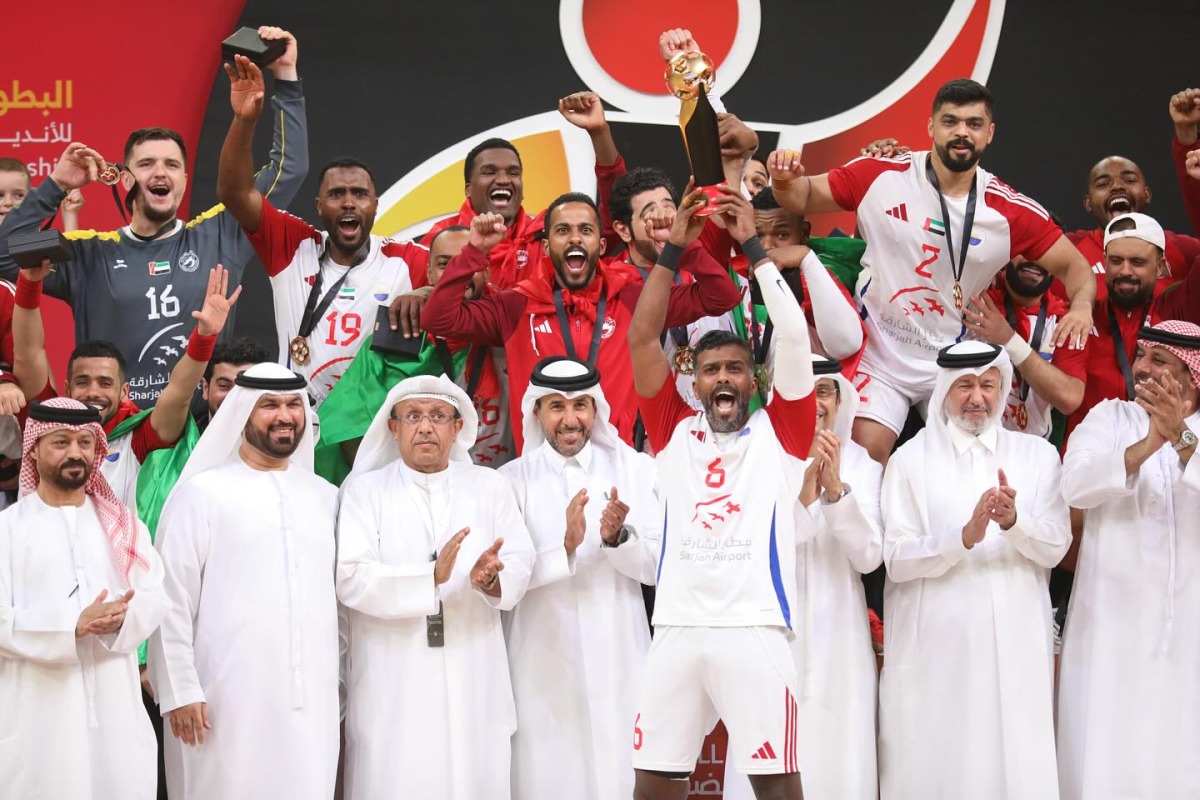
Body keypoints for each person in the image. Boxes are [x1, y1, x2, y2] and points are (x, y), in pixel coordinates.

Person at [769, 78, 1095, 465]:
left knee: (969, 465)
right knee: (863, 456)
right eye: (950, 121)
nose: (961, 132)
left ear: (989, 134)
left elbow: (1076, 267)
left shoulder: (1009, 210)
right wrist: (783, 179)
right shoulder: (881, 173)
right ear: (930, 127)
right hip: (880, 350)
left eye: (973, 124)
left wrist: (1082, 306)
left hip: (952, 356)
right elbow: (802, 195)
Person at [626, 185, 816, 800]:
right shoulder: (671, 432)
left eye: (736, 368)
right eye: (712, 370)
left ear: (755, 379)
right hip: (676, 628)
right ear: (695, 380)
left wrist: (753, 247)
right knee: (654, 785)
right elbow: (641, 337)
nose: (724, 378)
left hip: (753, 630)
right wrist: (675, 245)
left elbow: (792, 334)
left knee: (777, 788)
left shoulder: (782, 432)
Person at [0, 27, 307, 406]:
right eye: (146, 164)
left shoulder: (219, 233)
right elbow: (6, 256)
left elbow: (288, 169)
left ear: (183, 180)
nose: (160, 172)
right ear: (126, 179)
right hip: (115, 437)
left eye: (171, 165)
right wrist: (55, 185)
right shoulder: (89, 253)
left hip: (200, 436)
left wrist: (287, 77)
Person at [878, 341, 1070, 799]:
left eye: (987, 384)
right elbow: (896, 560)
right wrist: (961, 538)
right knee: (939, 760)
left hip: (1016, 646)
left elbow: (1056, 548)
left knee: (1016, 760)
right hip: (938, 651)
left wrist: (1015, 523)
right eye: (964, 385)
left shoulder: (1037, 457)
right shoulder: (910, 459)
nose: (977, 397)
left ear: (1003, 389)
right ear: (944, 390)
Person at [335, 374, 534, 799]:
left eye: (438, 416)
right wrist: (430, 579)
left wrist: (492, 581)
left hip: (472, 669)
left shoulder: (489, 486)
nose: (426, 427)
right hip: (393, 675)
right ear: (393, 428)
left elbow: (520, 560)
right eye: (413, 416)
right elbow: (350, 577)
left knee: (474, 773)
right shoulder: (364, 491)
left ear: (457, 427)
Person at [421, 192, 742, 452]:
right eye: (563, 230)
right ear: (546, 247)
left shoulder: (633, 298)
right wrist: (475, 250)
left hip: (619, 474)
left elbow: (721, 297)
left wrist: (685, 247)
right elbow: (439, 317)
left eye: (585, 230)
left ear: (600, 246)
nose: (575, 238)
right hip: (540, 476)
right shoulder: (516, 305)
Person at [149, 364, 339, 800]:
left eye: (293, 404)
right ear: (240, 413)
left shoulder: (324, 496)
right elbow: (171, 600)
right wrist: (179, 690)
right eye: (268, 405)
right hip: (221, 701)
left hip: (310, 702)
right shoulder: (202, 494)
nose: (284, 415)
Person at [215, 54, 426, 405]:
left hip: (370, 428)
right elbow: (233, 192)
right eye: (336, 194)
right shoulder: (294, 246)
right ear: (318, 206)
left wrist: (429, 291)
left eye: (359, 194)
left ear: (375, 205)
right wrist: (244, 120)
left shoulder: (404, 258)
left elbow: (468, 283)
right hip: (301, 424)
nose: (348, 203)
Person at [499, 357, 661, 800]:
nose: (570, 420)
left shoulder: (634, 469)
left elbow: (657, 568)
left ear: (597, 409)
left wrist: (617, 539)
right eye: (557, 407)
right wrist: (564, 549)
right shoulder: (508, 482)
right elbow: (504, 585)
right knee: (548, 774)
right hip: (540, 658)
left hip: (619, 652)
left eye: (581, 406)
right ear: (536, 412)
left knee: (621, 771)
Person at [723, 355, 883, 800]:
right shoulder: (752, 459)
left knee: (840, 756)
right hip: (771, 635)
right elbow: (747, 550)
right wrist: (802, 500)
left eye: (826, 391)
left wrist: (836, 495)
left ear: (839, 400)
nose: (815, 402)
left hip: (840, 638)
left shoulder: (863, 465)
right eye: (803, 390)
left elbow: (869, 557)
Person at [1057, 320, 1200, 800]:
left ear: (1191, 376)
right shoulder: (1109, 418)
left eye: (1159, 360)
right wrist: (1150, 444)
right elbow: (1074, 486)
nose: (1141, 367)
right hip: (1111, 622)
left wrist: (1181, 439)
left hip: (1187, 628)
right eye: (1140, 355)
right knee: (1107, 743)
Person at [0, 398, 168, 798]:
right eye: (60, 442)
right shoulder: (8, 530)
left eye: (84, 443)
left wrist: (123, 619)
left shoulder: (124, 524)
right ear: (34, 450)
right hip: (37, 720)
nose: (75, 453)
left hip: (117, 711)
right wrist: (70, 625)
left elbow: (155, 593)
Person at [12, 261, 239, 505]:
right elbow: (28, 354)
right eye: (82, 382)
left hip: (120, 543)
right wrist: (30, 282)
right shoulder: (47, 423)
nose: (92, 392)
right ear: (67, 389)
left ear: (124, 392)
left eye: (105, 383)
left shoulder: (138, 436)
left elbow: (179, 391)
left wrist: (204, 338)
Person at [315, 225, 512, 483]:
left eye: (468, 263)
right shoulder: (396, 336)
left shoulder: (511, 329)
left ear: (485, 270)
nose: (458, 273)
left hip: (493, 488)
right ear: (429, 273)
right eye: (445, 264)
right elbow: (346, 431)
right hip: (413, 492)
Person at [1067, 212, 1200, 443]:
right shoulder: (1082, 316)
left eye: (1137, 262)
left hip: (1164, 453)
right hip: (1092, 452)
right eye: (1116, 261)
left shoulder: (1177, 310)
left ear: (1160, 267)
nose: (1125, 271)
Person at [961, 256, 1087, 438]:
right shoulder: (974, 301)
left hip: (1030, 450)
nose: (1035, 260)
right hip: (968, 441)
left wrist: (1009, 340)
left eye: (1045, 254)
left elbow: (1069, 398)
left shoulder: (1064, 322)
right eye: (1027, 250)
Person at [199, 337, 269, 432]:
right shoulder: (186, 442)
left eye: (245, 387)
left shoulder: (277, 442)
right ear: (205, 388)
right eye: (224, 386)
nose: (234, 396)